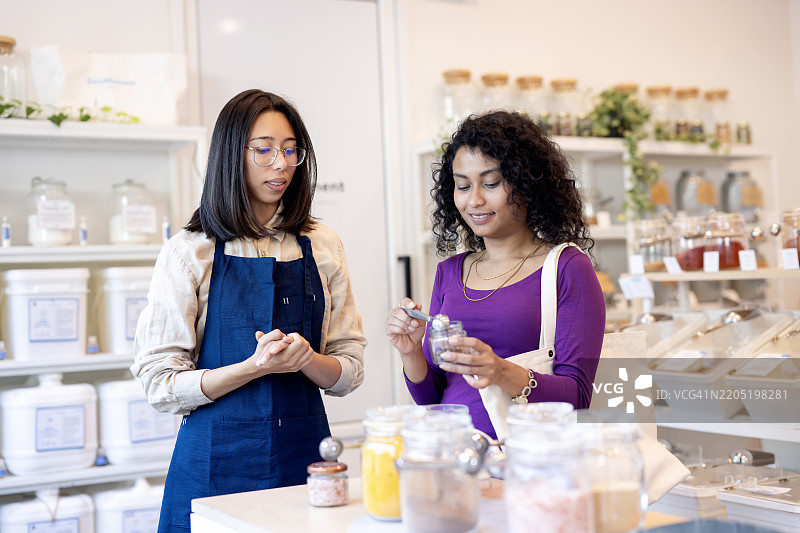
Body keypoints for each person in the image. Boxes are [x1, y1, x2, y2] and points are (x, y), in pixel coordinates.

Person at [132, 89, 366, 532]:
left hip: (304, 462)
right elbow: (160, 384)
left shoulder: (323, 245)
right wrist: (252, 368)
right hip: (213, 467)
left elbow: (350, 370)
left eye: (291, 150)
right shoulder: (190, 251)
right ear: (230, 155)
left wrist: (307, 360)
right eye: (263, 150)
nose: (281, 164)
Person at [385, 110, 605, 440]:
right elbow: (432, 398)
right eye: (462, 185)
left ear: (528, 184)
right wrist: (411, 352)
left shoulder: (567, 268)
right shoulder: (449, 272)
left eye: (491, 183)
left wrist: (499, 370)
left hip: (526, 457)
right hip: (455, 452)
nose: (474, 200)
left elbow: (577, 397)